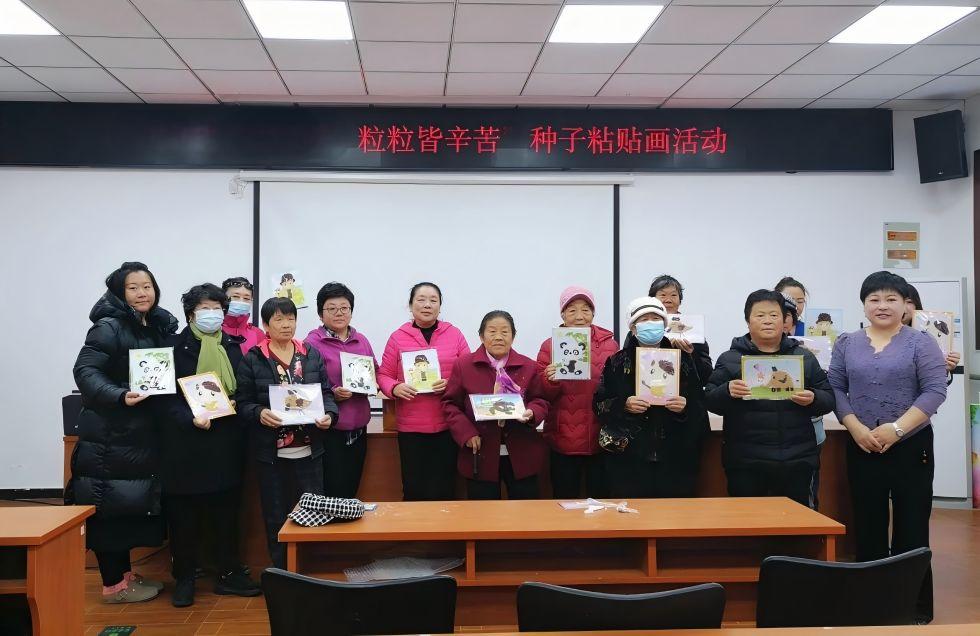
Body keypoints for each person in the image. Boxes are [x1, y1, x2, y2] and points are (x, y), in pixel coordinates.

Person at [828, 271, 947, 623]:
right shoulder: (847, 342)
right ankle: (871, 606)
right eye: (874, 299)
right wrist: (855, 428)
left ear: (905, 305)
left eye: (891, 299)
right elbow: (835, 387)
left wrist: (896, 429)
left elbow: (934, 391)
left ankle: (913, 608)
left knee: (912, 525)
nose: (882, 305)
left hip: (911, 444)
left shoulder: (921, 342)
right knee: (868, 524)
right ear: (864, 304)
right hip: (862, 443)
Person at [69, 262, 178, 603]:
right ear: (119, 292)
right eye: (133, 288)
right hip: (110, 435)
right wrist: (119, 395)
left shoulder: (154, 325)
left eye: (147, 286)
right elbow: (85, 371)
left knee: (127, 504)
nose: (142, 293)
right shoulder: (108, 327)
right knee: (109, 507)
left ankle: (125, 576)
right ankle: (113, 585)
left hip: (139, 435)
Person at [158, 284, 260, 607]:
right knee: (184, 516)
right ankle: (185, 577)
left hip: (225, 442)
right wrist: (189, 418)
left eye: (217, 308)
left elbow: (242, 388)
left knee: (226, 512)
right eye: (205, 308)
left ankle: (228, 573)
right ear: (191, 314)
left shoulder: (232, 346)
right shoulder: (172, 347)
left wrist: (235, 401)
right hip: (185, 445)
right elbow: (162, 398)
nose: (212, 314)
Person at [705, 289, 835, 508]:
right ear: (748, 321)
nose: (767, 321)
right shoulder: (730, 359)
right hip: (746, 462)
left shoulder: (803, 357)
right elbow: (709, 400)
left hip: (797, 459)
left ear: (785, 321)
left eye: (774, 315)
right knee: (749, 522)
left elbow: (829, 398)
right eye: (760, 315)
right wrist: (727, 391)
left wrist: (813, 398)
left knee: (797, 524)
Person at [236, 297, 338, 569]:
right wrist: (258, 412)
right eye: (279, 319)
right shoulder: (254, 358)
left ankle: (311, 572)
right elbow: (243, 402)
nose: (286, 324)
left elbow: (326, 393)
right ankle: (282, 574)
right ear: (265, 325)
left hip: (309, 451)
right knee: (276, 517)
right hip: (271, 455)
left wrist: (330, 415)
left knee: (314, 514)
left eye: (291, 318)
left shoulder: (310, 354)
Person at [593, 297, 708, 498]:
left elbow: (700, 404)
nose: (651, 323)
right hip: (629, 460)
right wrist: (624, 405)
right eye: (644, 319)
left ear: (664, 324)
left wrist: (685, 407)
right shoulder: (617, 362)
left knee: (674, 513)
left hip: (675, 459)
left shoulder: (682, 359)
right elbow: (598, 404)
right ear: (633, 328)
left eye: (655, 319)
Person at [378, 282, 471, 501]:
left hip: (448, 423)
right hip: (411, 427)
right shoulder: (397, 337)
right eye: (421, 300)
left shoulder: (454, 334)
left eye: (433, 300)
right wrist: (395, 387)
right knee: (413, 488)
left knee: (445, 487)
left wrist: (451, 384)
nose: (427, 305)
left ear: (440, 306)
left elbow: (469, 372)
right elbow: (383, 375)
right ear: (410, 305)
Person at [443, 311, 550, 499]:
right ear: (481, 336)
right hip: (479, 452)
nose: (499, 337)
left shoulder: (528, 366)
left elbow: (540, 400)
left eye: (505, 332)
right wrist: (466, 433)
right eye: (492, 332)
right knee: (483, 513)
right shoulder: (463, 365)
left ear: (513, 337)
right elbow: (450, 404)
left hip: (522, 453)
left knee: (524, 510)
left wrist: (532, 413)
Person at [535, 286, 618, 498]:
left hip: (599, 437)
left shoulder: (610, 345)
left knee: (600, 502)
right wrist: (550, 380)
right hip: (562, 437)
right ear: (562, 314)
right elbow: (541, 393)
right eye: (572, 310)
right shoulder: (549, 346)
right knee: (564, 500)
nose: (579, 316)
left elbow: (617, 387)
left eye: (585, 310)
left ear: (593, 314)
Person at [305, 282, 379, 498]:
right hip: (330, 430)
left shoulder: (361, 340)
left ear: (351, 311)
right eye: (332, 308)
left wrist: (373, 383)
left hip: (359, 428)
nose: (339, 313)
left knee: (351, 490)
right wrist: (332, 394)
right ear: (320, 314)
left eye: (344, 308)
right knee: (332, 491)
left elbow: (375, 370)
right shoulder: (312, 343)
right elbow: (306, 384)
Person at [648, 274, 713, 387]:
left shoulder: (693, 332)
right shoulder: (642, 329)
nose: (668, 300)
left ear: (680, 301)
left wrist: (691, 354)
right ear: (652, 300)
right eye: (663, 295)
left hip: (685, 394)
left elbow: (707, 377)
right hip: (650, 390)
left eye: (673, 295)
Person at [903, 283, 961, 381]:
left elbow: (937, 384)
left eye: (909, 301)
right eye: (894, 301)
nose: (903, 307)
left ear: (916, 305)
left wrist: (944, 369)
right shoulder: (876, 336)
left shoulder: (927, 335)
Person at [221, 276, 266, 354]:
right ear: (223, 299)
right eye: (235, 296)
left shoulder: (258, 334)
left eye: (246, 298)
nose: (241, 301)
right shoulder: (213, 331)